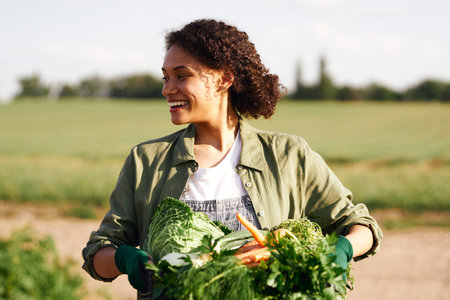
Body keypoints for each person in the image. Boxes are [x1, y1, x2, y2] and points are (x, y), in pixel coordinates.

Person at [82, 18, 382, 298]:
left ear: (224, 79)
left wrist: (341, 248)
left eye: (181, 76)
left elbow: (359, 225)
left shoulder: (289, 156)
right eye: (165, 77)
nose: (167, 89)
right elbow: (98, 253)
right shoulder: (146, 161)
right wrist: (125, 259)